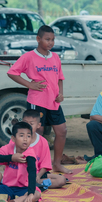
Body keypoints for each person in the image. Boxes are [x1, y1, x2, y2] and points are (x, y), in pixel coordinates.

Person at [7, 25, 71, 174]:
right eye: (47, 39)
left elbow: (60, 78)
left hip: (54, 102)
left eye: (53, 39)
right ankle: (35, 165)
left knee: (62, 131)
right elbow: (12, 72)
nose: (51, 43)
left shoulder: (55, 57)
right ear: (38, 39)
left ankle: (57, 164)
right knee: (37, 133)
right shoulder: (29, 56)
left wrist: (60, 93)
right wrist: (29, 84)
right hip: (37, 101)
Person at [17, 109, 66, 189]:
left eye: (31, 124)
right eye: (25, 123)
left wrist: (38, 176)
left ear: (38, 125)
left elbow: (45, 165)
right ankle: (33, 184)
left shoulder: (43, 142)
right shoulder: (16, 138)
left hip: (38, 174)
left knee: (61, 180)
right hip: (20, 173)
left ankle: (35, 183)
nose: (28, 126)